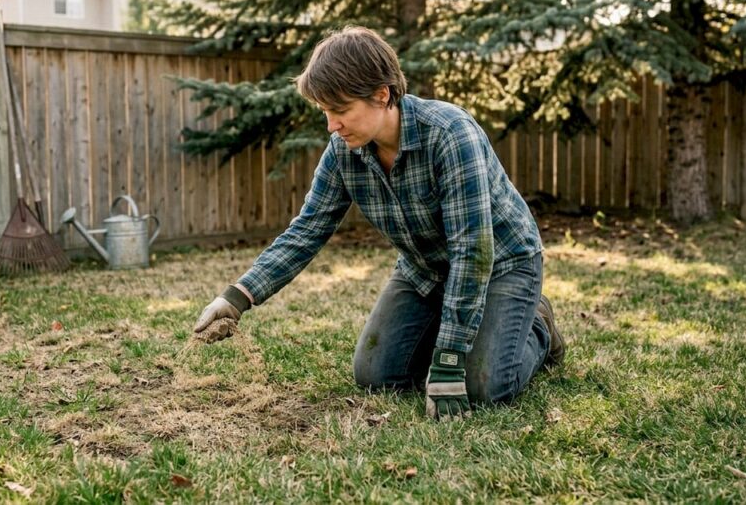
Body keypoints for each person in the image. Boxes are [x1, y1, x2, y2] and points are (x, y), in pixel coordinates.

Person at [193, 26, 564, 419]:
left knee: (482, 387)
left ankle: (538, 326)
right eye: (325, 113)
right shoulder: (343, 152)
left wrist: (451, 356)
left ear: (382, 94)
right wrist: (238, 297)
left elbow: (472, 250)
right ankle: (463, 327)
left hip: (502, 266)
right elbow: (307, 230)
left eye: (340, 111)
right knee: (376, 374)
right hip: (424, 270)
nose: (331, 126)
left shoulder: (451, 135)